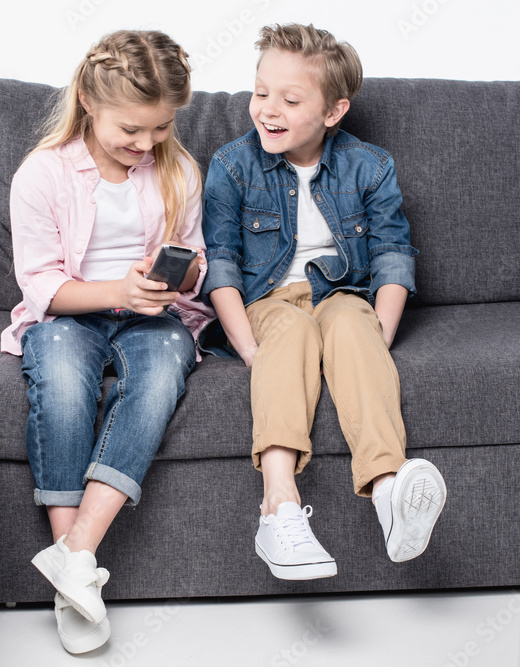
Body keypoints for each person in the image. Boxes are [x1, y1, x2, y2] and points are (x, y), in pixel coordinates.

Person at [202, 23, 447, 581]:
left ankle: (389, 492)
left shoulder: (370, 164)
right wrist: (247, 347)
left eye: (290, 99)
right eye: (261, 92)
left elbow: (391, 254)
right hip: (267, 300)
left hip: (341, 293)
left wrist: (373, 335)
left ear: (334, 112)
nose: (268, 109)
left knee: (348, 322)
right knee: (289, 332)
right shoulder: (231, 165)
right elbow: (220, 263)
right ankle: (278, 507)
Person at [1, 29, 212, 653]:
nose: (146, 145)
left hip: (153, 315)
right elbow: (41, 284)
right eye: (131, 130)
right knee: (63, 380)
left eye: (160, 128)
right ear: (90, 101)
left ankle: (73, 562)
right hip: (74, 312)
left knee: (162, 373)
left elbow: (197, 258)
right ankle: (77, 578)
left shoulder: (178, 171)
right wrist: (118, 290)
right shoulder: (43, 173)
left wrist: (178, 273)